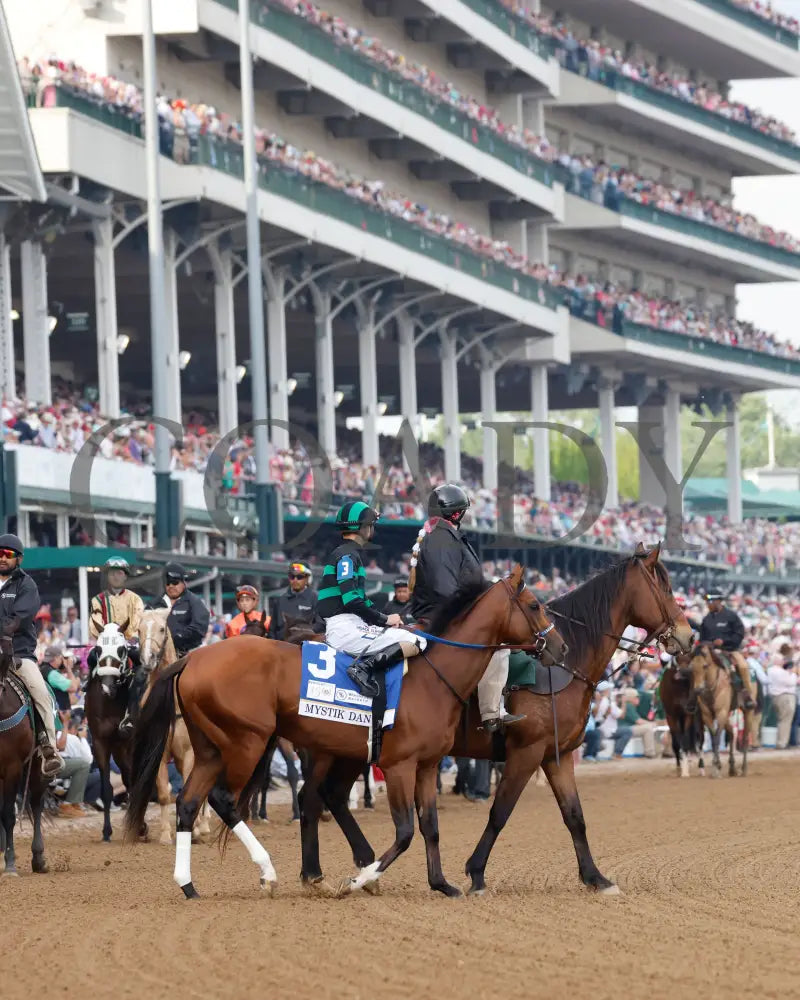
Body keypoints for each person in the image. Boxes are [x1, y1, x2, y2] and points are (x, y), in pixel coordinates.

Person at [409, 483, 524, 733]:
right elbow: (445, 588)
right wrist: (478, 606)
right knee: (498, 648)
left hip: (447, 611)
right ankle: (491, 713)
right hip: (441, 616)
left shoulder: (444, 535)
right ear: (456, 512)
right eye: (463, 511)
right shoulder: (441, 539)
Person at [319, 501, 425, 696]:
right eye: (370, 525)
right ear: (362, 528)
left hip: (349, 624)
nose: (372, 529)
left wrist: (385, 619)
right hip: (344, 629)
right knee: (417, 641)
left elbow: (361, 600)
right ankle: (363, 669)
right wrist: (384, 619)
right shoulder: (347, 556)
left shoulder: (347, 553)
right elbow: (351, 600)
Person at [0, 533, 62, 775]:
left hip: (18, 655)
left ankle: (49, 749)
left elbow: (21, 616)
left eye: (8, 554)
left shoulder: (26, 585)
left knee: (41, 692)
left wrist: (6, 631)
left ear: (19, 559)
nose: (2, 558)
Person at [699, 591, 756, 710]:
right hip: (710, 651)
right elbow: (702, 638)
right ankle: (693, 695)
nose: (708, 604)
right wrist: (707, 644)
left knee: (743, 666)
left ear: (718, 601)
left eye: (710, 601)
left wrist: (724, 641)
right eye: (707, 601)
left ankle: (747, 695)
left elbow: (739, 634)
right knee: (693, 665)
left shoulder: (731, 616)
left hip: (730, 650)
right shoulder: (706, 619)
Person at [88, 556, 144, 642]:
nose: (116, 577)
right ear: (107, 577)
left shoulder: (135, 599)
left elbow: (137, 624)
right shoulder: (98, 600)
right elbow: (95, 626)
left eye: (119, 573)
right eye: (112, 574)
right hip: (106, 643)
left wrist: (127, 638)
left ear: (125, 576)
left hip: (130, 644)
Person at [161, 562, 210, 656]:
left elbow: (199, 628)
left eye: (175, 582)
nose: (171, 586)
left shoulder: (194, 602)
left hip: (187, 653)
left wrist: (178, 637)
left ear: (184, 582)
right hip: (159, 653)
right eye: (168, 582)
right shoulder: (155, 603)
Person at [268, 562, 323, 640]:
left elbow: (320, 625)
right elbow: (272, 629)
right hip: (281, 644)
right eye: (292, 576)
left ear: (308, 579)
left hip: (305, 644)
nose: (295, 580)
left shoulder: (316, 599)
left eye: (299, 577)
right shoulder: (280, 600)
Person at [56, 714, 92, 819]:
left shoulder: (56, 734)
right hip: (58, 771)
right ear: (73, 729)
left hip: (56, 770)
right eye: (78, 729)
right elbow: (88, 760)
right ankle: (68, 804)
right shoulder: (73, 738)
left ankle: (75, 804)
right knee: (84, 766)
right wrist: (83, 739)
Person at [767, 644, 798, 750]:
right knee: (785, 720)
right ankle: (782, 743)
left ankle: (782, 742)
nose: (783, 661)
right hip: (785, 696)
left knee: (782, 720)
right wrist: (792, 674)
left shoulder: (771, 670)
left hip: (776, 696)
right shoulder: (778, 671)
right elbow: (791, 681)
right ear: (777, 661)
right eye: (781, 660)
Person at [40, 645, 80, 713]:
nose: (62, 660)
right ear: (56, 658)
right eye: (61, 658)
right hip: (59, 714)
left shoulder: (43, 669)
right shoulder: (52, 674)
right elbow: (73, 687)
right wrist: (68, 668)